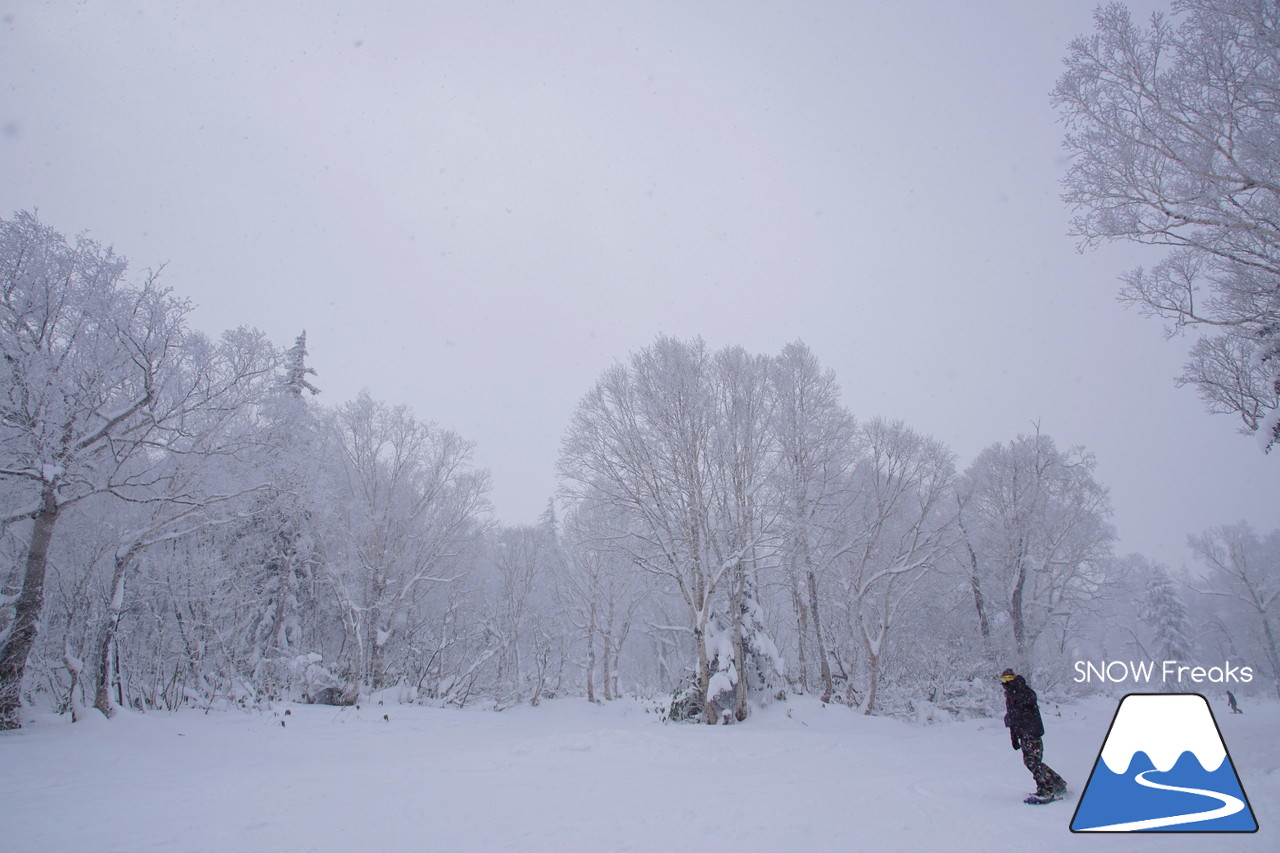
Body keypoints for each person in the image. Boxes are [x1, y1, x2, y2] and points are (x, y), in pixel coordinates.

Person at [1001, 668, 1067, 802]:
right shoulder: (1009, 697)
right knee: (1032, 762)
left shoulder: (1023, 690)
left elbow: (1029, 699)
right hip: (1023, 734)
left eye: (1009, 678)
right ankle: (1056, 782)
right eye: (1004, 679)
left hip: (1032, 732)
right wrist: (1014, 737)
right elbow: (1013, 718)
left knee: (1032, 762)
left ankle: (1047, 788)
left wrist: (1018, 688)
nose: (1007, 682)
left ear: (1014, 678)